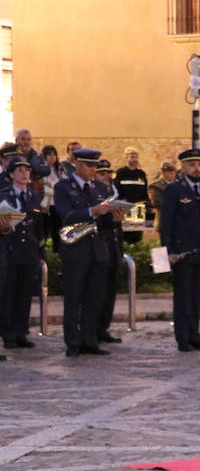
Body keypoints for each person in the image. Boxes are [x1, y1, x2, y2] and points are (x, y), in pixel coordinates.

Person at [53, 149, 116, 357]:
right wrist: (92, 211)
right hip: (75, 249)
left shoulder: (99, 187)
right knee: (74, 297)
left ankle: (90, 339)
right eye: (89, 166)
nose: (93, 170)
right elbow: (66, 215)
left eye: (95, 166)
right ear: (78, 165)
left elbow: (105, 222)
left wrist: (115, 216)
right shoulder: (63, 187)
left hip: (97, 249)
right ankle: (72, 342)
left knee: (94, 297)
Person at [158, 148, 200, 352]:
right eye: (192, 164)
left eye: (199, 164)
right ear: (182, 166)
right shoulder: (174, 190)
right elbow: (166, 224)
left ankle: (195, 335)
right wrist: (169, 252)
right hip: (182, 253)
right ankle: (182, 338)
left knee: (197, 296)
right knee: (183, 296)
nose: (196, 168)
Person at [0, 157, 45, 350]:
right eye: (19, 170)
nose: (24, 173)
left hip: (28, 252)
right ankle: (8, 334)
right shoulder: (3, 195)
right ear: (11, 174)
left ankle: (21, 332)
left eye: (26, 170)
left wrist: (39, 248)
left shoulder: (33, 196)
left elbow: (38, 225)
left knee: (25, 294)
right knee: (8, 294)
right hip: (9, 250)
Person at [93, 160, 125, 345]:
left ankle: (104, 327)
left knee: (110, 290)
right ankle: (94, 328)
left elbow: (116, 228)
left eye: (108, 174)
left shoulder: (113, 194)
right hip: (100, 247)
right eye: (102, 173)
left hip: (113, 247)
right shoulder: (94, 196)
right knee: (98, 290)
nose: (106, 177)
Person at [114, 148, 149, 244]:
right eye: (132, 157)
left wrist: (147, 203)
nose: (135, 159)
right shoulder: (120, 173)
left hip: (138, 208)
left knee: (137, 234)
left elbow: (145, 191)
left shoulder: (141, 174)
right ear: (126, 158)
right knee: (125, 234)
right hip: (125, 208)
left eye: (136, 157)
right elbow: (116, 191)